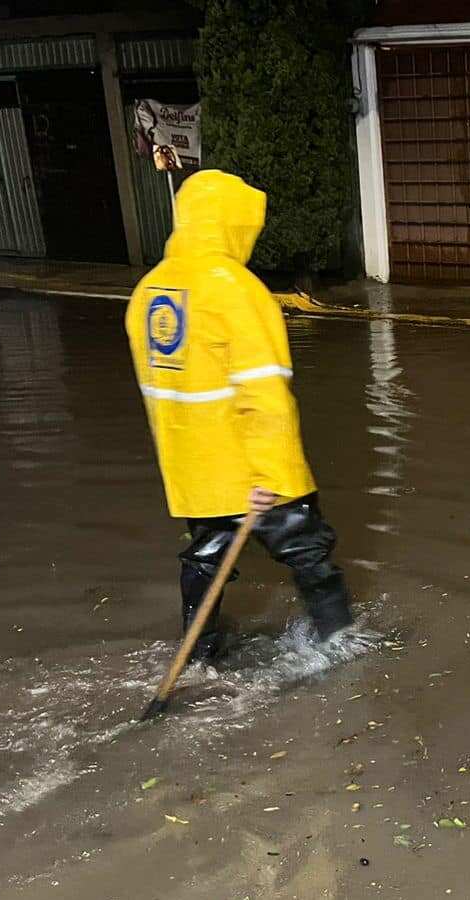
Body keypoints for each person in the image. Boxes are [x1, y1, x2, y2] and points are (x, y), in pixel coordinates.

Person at [125, 169, 355, 665]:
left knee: (205, 558)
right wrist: (268, 472)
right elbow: (264, 391)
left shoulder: (149, 291)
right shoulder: (235, 289)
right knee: (308, 551)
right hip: (255, 472)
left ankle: (199, 654)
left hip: (192, 473)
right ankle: (341, 646)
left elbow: (161, 394)